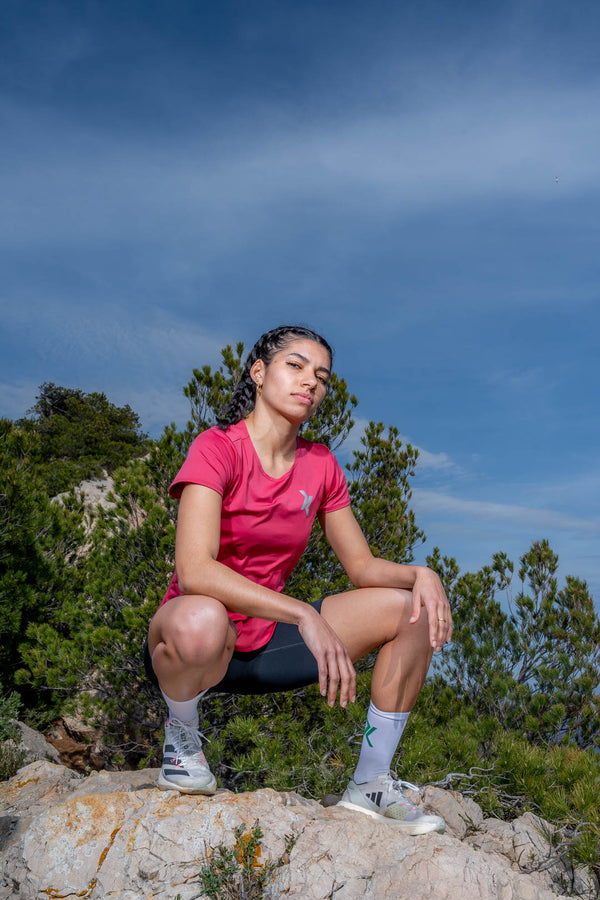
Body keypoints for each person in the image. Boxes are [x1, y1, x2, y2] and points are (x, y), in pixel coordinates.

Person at [145, 325, 453, 834]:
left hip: (265, 648)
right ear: (259, 372)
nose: (310, 381)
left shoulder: (321, 464)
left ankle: (372, 783)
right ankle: (181, 740)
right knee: (201, 617)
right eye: (296, 365)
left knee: (412, 606)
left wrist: (423, 574)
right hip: (195, 642)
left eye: (322, 376)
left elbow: (362, 568)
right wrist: (302, 612)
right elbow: (194, 569)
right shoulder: (217, 448)